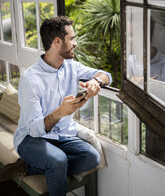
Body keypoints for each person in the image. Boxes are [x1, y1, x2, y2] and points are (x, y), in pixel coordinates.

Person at [0, 16, 112, 196]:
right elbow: (35, 130)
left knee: (92, 158)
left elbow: (106, 75)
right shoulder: (31, 79)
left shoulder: (71, 66)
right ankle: (43, 164)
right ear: (57, 42)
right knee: (58, 160)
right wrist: (60, 112)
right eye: (72, 39)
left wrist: (95, 81)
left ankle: (29, 167)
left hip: (62, 134)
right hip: (30, 138)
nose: (75, 43)